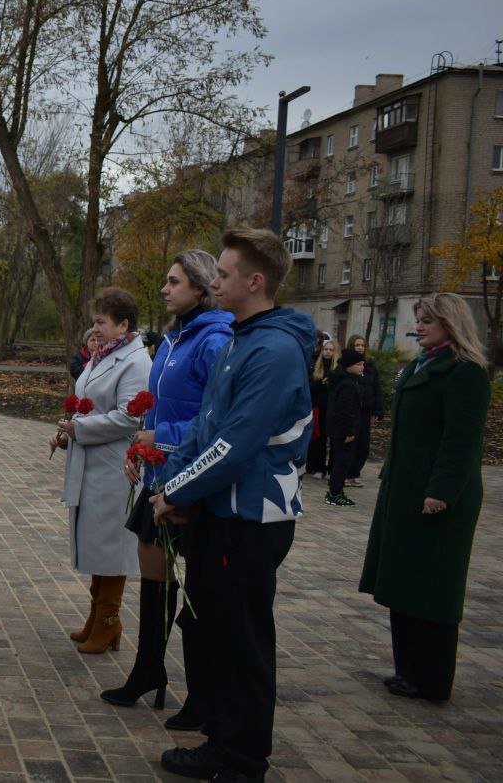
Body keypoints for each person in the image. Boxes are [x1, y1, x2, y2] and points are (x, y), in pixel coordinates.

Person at [149, 227, 314, 782]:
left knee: (242, 642)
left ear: (255, 281)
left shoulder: (274, 349)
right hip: (221, 512)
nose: (213, 281)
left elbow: (236, 443)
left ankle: (243, 760)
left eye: (221, 274)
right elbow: (203, 426)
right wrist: (171, 483)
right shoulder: (242, 339)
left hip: (252, 516)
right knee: (215, 634)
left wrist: (176, 491)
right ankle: (221, 741)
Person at [102, 251, 232, 715]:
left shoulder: (216, 340)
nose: (164, 288)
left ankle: (203, 692)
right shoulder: (175, 338)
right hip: (159, 474)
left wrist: (166, 437)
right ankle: (148, 668)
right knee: (153, 573)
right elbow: (161, 407)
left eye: (174, 281)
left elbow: (218, 417)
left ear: (200, 287)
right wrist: (141, 447)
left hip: (192, 479)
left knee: (197, 590)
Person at [359, 293, 490, 703]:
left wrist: (441, 491)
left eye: (427, 321)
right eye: (418, 320)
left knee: (432, 587)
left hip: (438, 499)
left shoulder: (465, 371)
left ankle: (430, 678)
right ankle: (407, 670)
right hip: (404, 490)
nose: (419, 327)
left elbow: (461, 441)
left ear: (450, 323)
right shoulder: (421, 364)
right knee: (403, 583)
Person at [49, 287, 151, 654]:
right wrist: (67, 432)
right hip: (91, 462)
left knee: (109, 545)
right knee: (95, 542)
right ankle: (98, 616)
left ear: (124, 324)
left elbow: (130, 415)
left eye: (101, 322)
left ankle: (108, 619)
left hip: (113, 467)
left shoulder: (135, 362)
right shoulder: (104, 355)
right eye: (94, 321)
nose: (95, 329)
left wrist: (81, 429)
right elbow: (89, 404)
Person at [324, 348, 365, 507]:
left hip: (338, 429)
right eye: (359, 364)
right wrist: (349, 431)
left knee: (340, 461)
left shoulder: (345, 380)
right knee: (342, 462)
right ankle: (335, 493)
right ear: (349, 366)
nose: (362, 367)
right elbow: (344, 410)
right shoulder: (347, 384)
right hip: (343, 431)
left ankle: (335, 490)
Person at [344, 335, 384, 486]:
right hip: (352, 411)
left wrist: (377, 410)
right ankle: (346, 473)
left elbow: (377, 389)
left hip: (366, 411)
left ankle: (355, 473)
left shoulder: (370, 367)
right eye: (357, 345)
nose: (360, 348)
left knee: (363, 445)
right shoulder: (347, 365)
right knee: (351, 443)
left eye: (362, 345)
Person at [305, 339, 335, 478]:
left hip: (333, 408)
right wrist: (321, 383)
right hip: (318, 408)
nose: (328, 352)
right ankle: (317, 467)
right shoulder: (315, 366)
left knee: (333, 439)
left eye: (331, 350)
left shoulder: (337, 369)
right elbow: (309, 387)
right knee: (317, 438)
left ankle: (330, 468)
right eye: (326, 349)